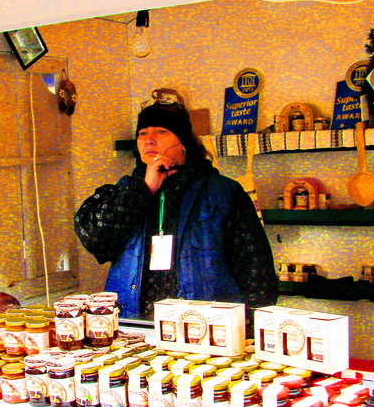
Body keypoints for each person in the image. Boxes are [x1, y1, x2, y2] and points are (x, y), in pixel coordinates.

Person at [74, 92, 277, 331]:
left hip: (205, 328)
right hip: (133, 327)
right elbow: (96, 241)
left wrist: (248, 328)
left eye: (161, 131)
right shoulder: (120, 193)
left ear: (184, 144)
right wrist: (144, 189)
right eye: (142, 133)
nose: (149, 140)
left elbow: (255, 268)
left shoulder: (223, 193)